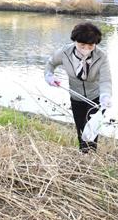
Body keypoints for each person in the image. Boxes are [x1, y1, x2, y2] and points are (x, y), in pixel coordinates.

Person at [45, 22, 112, 152]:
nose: (86, 50)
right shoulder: (65, 52)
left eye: (90, 46)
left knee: (91, 131)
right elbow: (50, 64)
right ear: (75, 41)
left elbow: (106, 80)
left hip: (96, 98)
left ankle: (90, 157)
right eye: (82, 46)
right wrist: (49, 77)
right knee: (81, 129)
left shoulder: (102, 57)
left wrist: (105, 96)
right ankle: (82, 155)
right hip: (76, 96)